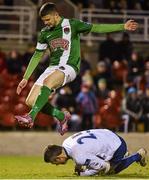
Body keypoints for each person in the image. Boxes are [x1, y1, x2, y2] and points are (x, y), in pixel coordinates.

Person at [15, 2, 138, 135]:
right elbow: (37, 55)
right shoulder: (45, 33)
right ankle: (61, 116)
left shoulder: (72, 24)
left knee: (48, 83)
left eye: (48, 20)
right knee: (30, 101)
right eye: (44, 21)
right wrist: (25, 78)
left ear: (56, 15)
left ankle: (31, 117)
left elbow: (97, 28)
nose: (46, 23)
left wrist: (122, 26)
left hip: (69, 67)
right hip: (52, 68)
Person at [43, 128, 147, 176]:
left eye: (55, 162)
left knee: (109, 171)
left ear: (58, 158)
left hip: (117, 145)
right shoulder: (66, 142)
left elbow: (104, 167)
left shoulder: (79, 156)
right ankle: (122, 156)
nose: (57, 165)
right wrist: (79, 165)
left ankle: (138, 155)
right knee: (94, 164)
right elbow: (83, 150)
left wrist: (83, 174)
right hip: (108, 134)